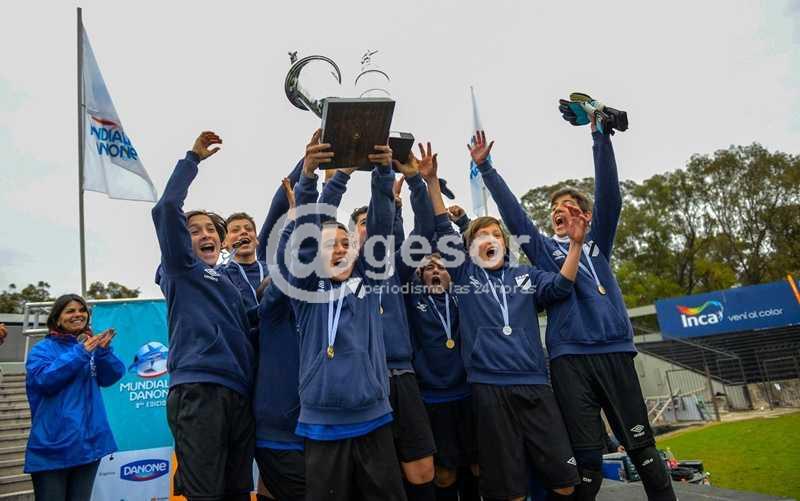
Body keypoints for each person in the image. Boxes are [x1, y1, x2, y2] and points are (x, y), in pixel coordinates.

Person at [472, 123, 676, 501]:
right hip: (569, 360)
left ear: (585, 216)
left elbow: (611, 196)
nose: (559, 212)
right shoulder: (543, 251)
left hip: (614, 352)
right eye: (554, 210)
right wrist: (486, 168)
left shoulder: (597, 242)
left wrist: (601, 138)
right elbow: (514, 216)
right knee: (587, 462)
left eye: (568, 207)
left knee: (643, 450)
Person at [425, 142, 586, 501]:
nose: (490, 239)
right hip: (488, 389)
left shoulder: (526, 275)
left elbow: (561, 286)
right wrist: (432, 182)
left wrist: (575, 245)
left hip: (535, 385)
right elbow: (441, 228)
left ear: (504, 242)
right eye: (482, 235)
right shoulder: (465, 275)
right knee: (510, 490)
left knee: (564, 482)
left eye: (496, 234)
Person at [286, 130, 406, 500]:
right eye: (330, 245)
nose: (339, 250)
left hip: (373, 417)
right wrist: (315, 177)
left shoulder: (368, 280)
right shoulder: (306, 288)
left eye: (345, 243)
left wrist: (383, 173)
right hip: (321, 422)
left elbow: (381, 227)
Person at [319, 144, 439, 500]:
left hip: (401, 376)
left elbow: (426, 229)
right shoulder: (334, 275)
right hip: (361, 383)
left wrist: (415, 180)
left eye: (373, 222)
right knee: (375, 476)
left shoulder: (395, 266)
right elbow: (314, 230)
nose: (370, 229)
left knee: (422, 471)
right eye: (362, 224)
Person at [152, 131, 256, 501]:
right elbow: (166, 208)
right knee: (205, 494)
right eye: (193, 231)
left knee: (238, 491)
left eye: (211, 229)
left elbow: (255, 325)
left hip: (239, 394)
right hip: (199, 391)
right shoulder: (181, 269)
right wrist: (192, 159)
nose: (205, 234)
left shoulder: (229, 283)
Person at [24, 294, 124, 501]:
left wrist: (103, 353)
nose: (78, 314)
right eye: (70, 311)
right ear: (57, 319)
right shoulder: (42, 350)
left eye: (82, 310)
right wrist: (80, 353)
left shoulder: (90, 346)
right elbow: (44, 381)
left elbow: (110, 378)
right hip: (53, 448)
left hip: (88, 445)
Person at [407, 252, 480, 501]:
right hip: (433, 400)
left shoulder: (464, 296)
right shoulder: (413, 299)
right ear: (420, 276)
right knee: (444, 474)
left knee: (477, 466)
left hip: (469, 394)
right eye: (429, 268)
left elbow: (472, 261)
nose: (436, 271)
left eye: (442, 267)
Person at [252, 176, 306, 501]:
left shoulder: (307, 318)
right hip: (277, 437)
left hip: (310, 433)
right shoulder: (270, 317)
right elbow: (288, 272)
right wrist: (296, 219)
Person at [222, 211, 266, 310]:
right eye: (235, 230)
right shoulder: (220, 275)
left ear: (256, 240)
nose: (243, 232)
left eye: (249, 229)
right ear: (224, 243)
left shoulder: (274, 271)